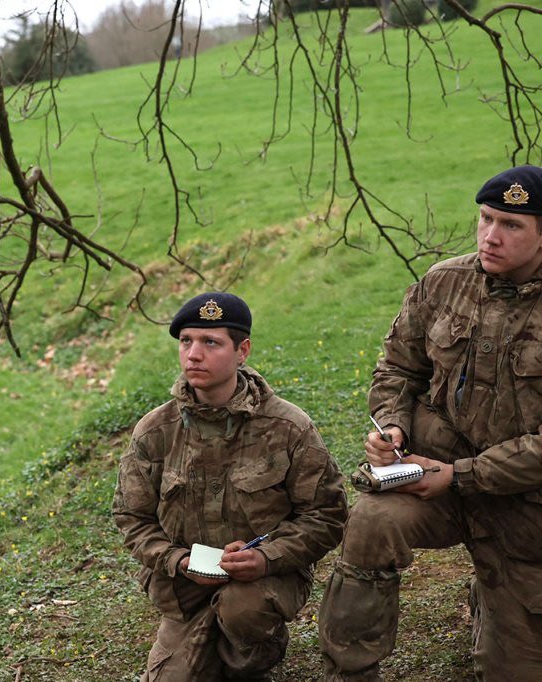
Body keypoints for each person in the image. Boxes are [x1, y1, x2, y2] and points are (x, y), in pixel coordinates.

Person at [318, 165, 542, 680]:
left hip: (525, 509)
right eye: (486, 218)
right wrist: (392, 427)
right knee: (371, 523)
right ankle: (349, 670)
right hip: (429, 484)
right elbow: (398, 366)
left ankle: (493, 598)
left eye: (512, 225)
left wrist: (462, 475)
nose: (490, 235)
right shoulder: (444, 282)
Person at [113, 292, 348, 680]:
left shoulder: (288, 427)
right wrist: (178, 561)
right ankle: (206, 635)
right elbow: (131, 516)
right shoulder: (155, 431)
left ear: (242, 351)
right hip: (185, 586)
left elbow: (327, 514)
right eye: (186, 341)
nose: (193, 354)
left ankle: (255, 652)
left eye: (211, 343)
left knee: (244, 615)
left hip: (264, 581)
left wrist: (266, 558)